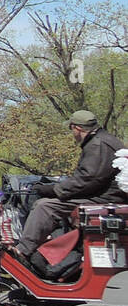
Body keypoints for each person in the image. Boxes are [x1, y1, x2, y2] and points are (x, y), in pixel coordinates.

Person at [14, 111, 128, 259]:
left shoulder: (97, 145)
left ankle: (23, 251)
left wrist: (55, 189)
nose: (72, 134)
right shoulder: (103, 140)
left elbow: (88, 179)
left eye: (71, 129)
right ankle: (49, 253)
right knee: (47, 204)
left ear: (77, 128)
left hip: (105, 198)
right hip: (104, 193)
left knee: (45, 206)